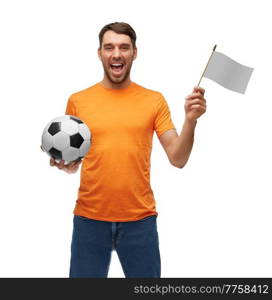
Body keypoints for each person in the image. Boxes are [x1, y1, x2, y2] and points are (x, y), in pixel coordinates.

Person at [49, 22, 206, 278]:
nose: (117, 53)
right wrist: (65, 164)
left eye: (124, 47)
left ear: (134, 52)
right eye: (109, 47)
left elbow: (178, 158)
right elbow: (75, 161)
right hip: (89, 219)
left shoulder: (153, 100)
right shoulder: (78, 101)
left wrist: (190, 120)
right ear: (99, 53)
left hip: (140, 222)